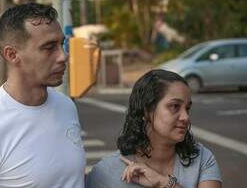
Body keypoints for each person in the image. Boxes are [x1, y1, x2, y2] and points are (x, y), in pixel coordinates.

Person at [0, 3, 86, 188]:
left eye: (61, 44)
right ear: (12, 54)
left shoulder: (66, 106)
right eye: (49, 47)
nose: (63, 56)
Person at [86, 69, 222, 188]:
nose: (185, 117)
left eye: (187, 108)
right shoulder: (106, 173)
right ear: (147, 110)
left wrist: (163, 183)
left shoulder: (201, 159)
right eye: (174, 106)